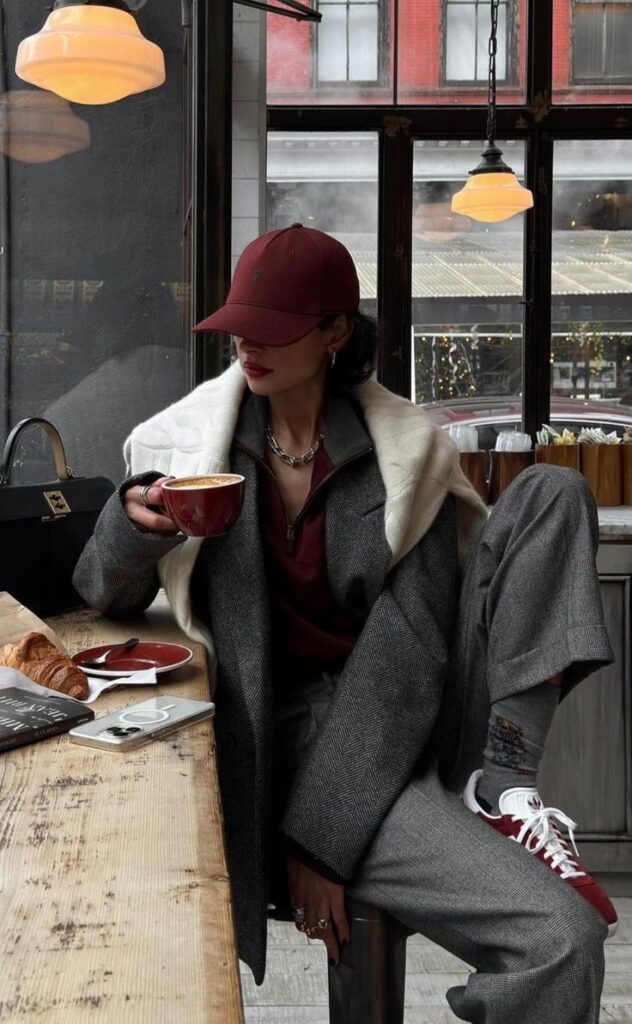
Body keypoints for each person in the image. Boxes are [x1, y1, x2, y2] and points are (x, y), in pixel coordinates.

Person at [74, 224, 617, 1024]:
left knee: (553, 493)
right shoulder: (193, 449)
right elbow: (101, 593)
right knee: (563, 937)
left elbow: (410, 653)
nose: (248, 347)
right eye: (239, 327)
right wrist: (135, 523)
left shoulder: (406, 458)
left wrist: (326, 840)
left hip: (405, 721)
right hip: (282, 748)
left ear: (334, 333)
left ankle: (504, 778)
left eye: (274, 328)